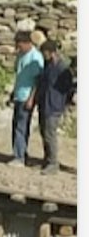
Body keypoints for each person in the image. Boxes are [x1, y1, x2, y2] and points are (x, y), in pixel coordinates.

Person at [36, 40, 74, 174]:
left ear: (51, 52)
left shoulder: (62, 69)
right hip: (44, 104)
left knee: (50, 134)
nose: (43, 55)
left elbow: (68, 89)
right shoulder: (48, 66)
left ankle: (53, 163)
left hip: (54, 106)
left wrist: (63, 104)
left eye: (45, 52)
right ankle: (47, 159)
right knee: (44, 132)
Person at [9, 29, 45, 166]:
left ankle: (19, 158)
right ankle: (20, 152)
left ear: (27, 43)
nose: (18, 48)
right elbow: (19, 75)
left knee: (21, 127)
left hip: (26, 97)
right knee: (16, 125)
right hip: (19, 94)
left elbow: (37, 81)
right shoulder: (20, 55)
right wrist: (13, 91)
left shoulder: (35, 57)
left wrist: (31, 98)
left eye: (20, 45)